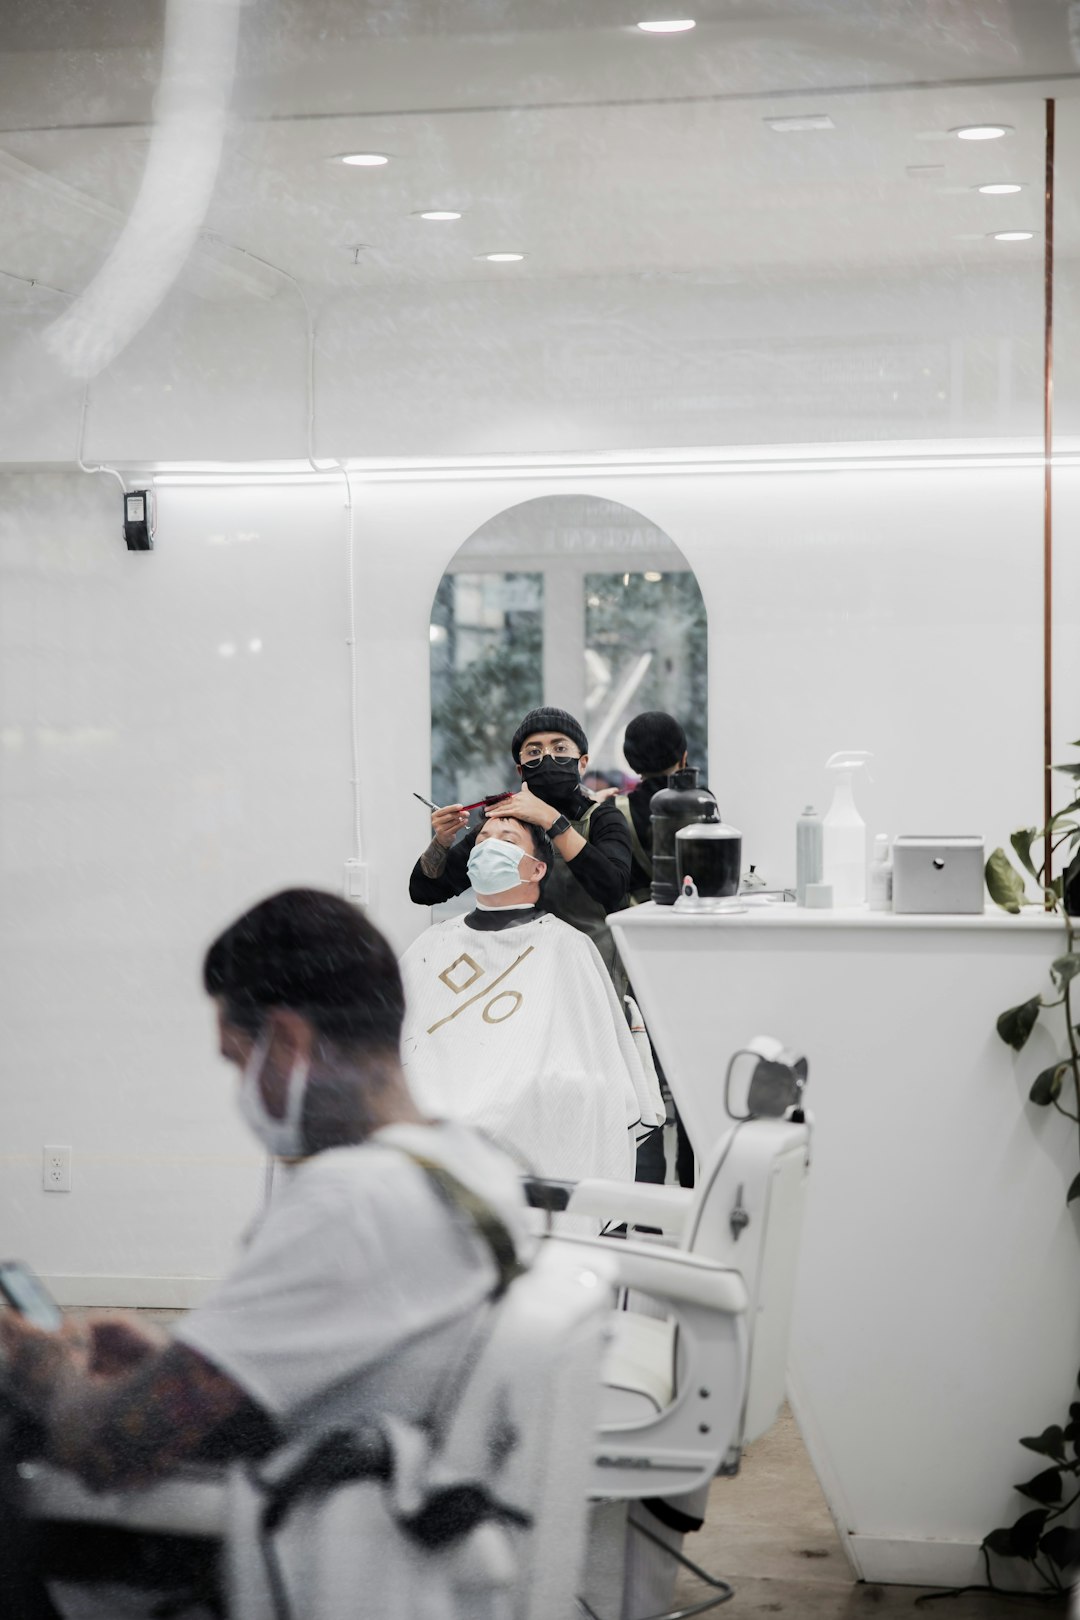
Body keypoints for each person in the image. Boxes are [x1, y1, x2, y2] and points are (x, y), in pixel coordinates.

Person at [0, 890, 528, 1508]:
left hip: (294, 1542)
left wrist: (43, 1363)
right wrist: (186, 1363)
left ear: (285, 1039)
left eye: (237, 1061)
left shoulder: (348, 1202)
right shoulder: (473, 1162)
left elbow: (109, 1447)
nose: (242, 1092)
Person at [400, 815, 665, 1190]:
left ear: (538, 868)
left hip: (518, 1107)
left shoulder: (567, 946)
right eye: (483, 839)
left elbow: (590, 1065)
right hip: (428, 1109)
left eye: (507, 840)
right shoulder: (433, 943)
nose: (489, 846)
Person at [408, 706, 632, 986]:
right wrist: (441, 841)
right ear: (520, 768)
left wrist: (552, 820)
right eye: (534, 752)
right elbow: (424, 890)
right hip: (515, 976)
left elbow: (612, 888)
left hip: (588, 975)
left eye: (560, 747)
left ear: (582, 762)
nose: (547, 757)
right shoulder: (502, 823)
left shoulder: (603, 819)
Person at [616, 712, 697, 1189]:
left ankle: (642, 1203)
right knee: (686, 1081)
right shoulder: (702, 805)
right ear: (683, 757)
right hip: (687, 951)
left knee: (642, 1079)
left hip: (636, 952)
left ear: (629, 760)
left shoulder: (617, 813)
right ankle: (690, 1189)